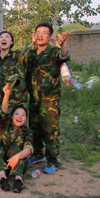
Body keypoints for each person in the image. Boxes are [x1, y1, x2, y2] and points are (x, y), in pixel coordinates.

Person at [24, 23, 70, 174]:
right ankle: (37, 154)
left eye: (44, 32)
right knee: (34, 127)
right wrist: (31, 46)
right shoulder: (31, 52)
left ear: (50, 37)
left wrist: (63, 45)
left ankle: (52, 160)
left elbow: (64, 56)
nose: (40, 35)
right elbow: (23, 62)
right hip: (34, 97)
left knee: (50, 129)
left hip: (49, 98)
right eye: (38, 32)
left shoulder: (54, 51)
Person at [0, 83, 33, 193]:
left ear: (26, 119)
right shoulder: (4, 125)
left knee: (16, 150)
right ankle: (3, 178)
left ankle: (18, 180)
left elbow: (28, 149)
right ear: (12, 116)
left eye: (23, 115)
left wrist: (17, 157)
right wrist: (7, 94)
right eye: (17, 114)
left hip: (17, 163)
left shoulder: (27, 132)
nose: (20, 117)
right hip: (1, 161)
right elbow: (4, 111)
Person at [0, 29, 28, 109]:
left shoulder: (18, 55)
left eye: (7, 37)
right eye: (1, 37)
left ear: (12, 42)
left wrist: (33, 45)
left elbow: (29, 58)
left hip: (15, 99)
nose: (4, 39)